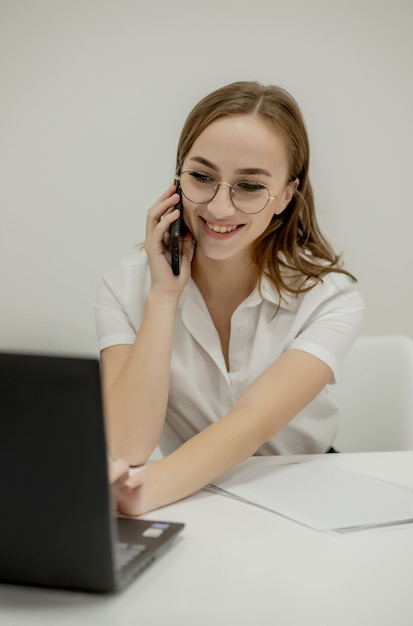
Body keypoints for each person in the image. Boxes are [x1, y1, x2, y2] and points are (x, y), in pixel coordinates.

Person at [96, 81, 365, 516]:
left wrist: (140, 493)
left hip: (304, 489)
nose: (220, 209)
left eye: (250, 187)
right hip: (192, 497)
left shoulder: (330, 297)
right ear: (176, 180)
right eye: (201, 177)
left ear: (286, 196)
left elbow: (251, 424)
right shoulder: (124, 288)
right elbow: (128, 445)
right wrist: (164, 295)